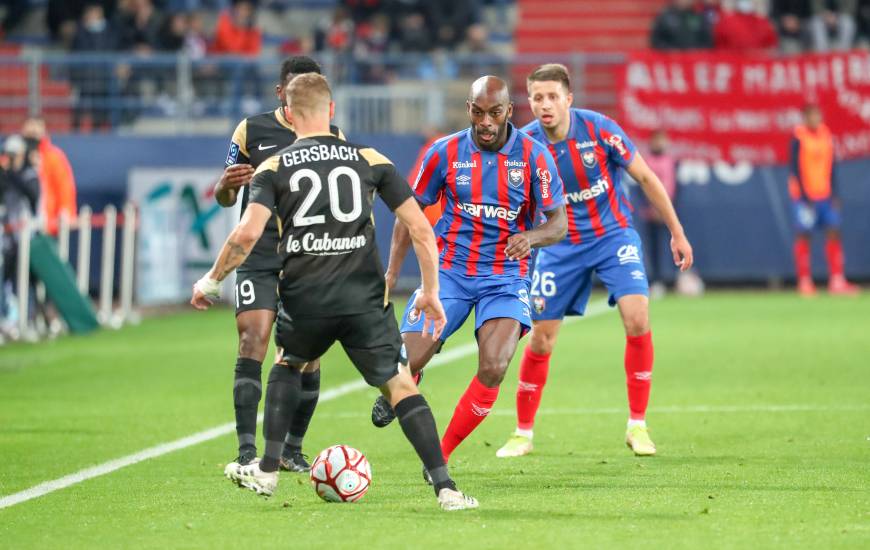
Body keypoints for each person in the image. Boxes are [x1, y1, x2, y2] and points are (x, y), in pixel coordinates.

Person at [191, 73, 478, 511]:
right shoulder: (370, 158)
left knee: (289, 362)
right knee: (400, 385)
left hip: (306, 297)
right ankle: (447, 489)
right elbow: (420, 227)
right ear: (332, 110)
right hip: (364, 298)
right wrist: (430, 291)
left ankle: (266, 470)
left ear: (289, 114)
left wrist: (211, 280)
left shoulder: (273, 168)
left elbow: (245, 236)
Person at [369, 76, 568, 473]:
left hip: (506, 279)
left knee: (494, 366)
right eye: (479, 113)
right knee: (399, 366)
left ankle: (439, 455)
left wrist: (530, 237)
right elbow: (407, 216)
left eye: (495, 113)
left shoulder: (534, 156)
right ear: (469, 110)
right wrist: (390, 273)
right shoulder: (443, 153)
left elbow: (559, 222)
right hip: (449, 275)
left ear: (509, 111)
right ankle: (415, 370)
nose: (487, 122)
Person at [495, 64, 694, 459]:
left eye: (553, 96)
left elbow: (647, 178)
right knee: (542, 338)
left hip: (612, 236)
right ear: (529, 102)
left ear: (569, 99)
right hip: (559, 246)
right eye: (537, 97)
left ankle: (637, 425)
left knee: (638, 316)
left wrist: (677, 231)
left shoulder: (601, 129)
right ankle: (522, 431)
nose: (545, 105)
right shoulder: (524, 145)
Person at [213, 56, 344, 473]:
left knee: (306, 354)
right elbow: (225, 196)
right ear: (280, 93)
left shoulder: (333, 135)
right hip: (260, 254)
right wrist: (224, 187)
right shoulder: (249, 130)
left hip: (308, 256)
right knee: (253, 338)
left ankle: (292, 448)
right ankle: (247, 450)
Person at [789, 104, 859, 296]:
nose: (816, 119)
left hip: (825, 194)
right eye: (812, 116)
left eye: (818, 115)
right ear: (805, 118)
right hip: (805, 197)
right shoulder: (799, 137)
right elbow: (795, 168)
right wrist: (804, 196)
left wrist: (835, 193)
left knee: (834, 231)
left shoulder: (826, 135)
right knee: (804, 234)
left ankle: (837, 279)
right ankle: (804, 281)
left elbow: (831, 166)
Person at [637, 129, 677, 298]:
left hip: (667, 212)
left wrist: (665, 209)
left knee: (670, 246)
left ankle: (674, 279)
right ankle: (656, 280)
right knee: (652, 248)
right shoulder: (646, 161)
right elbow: (642, 185)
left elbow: (672, 187)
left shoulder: (670, 162)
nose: (660, 144)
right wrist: (651, 207)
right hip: (650, 212)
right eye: (657, 140)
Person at [21, 118, 76, 236]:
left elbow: (64, 186)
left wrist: (66, 212)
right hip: (21, 224)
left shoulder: (54, 157)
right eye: (29, 134)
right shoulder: (16, 155)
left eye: (35, 134)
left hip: (47, 224)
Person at [713, 0, 779, 51]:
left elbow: (771, 48)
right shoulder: (725, 23)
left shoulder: (764, 23)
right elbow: (719, 47)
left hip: (756, 64)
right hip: (733, 63)